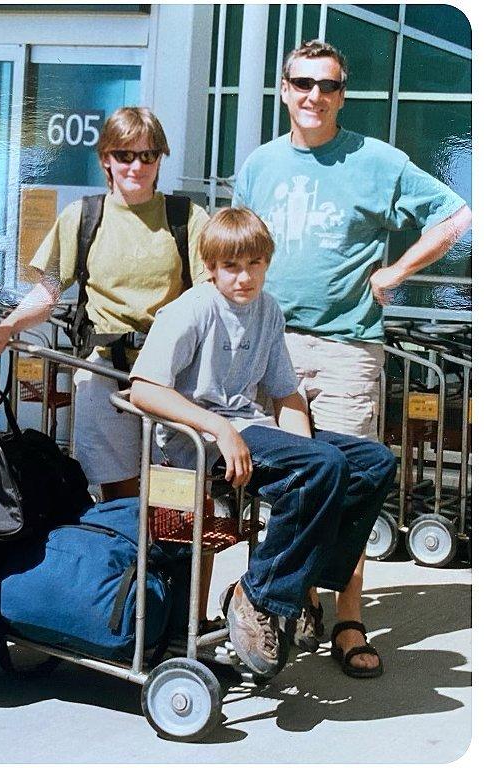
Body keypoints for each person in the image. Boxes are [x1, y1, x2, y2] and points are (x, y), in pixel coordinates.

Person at [233, 40, 472, 676]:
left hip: (345, 348)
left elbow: (455, 215)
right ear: (284, 88)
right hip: (272, 348)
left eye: (329, 86)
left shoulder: (376, 161)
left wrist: (396, 270)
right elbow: (238, 248)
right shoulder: (259, 164)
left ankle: (348, 615)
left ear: (343, 95)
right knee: (294, 486)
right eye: (303, 83)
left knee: (350, 484)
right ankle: (291, 605)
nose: (315, 95)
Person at [129, 207, 397, 680]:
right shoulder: (193, 309)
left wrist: (310, 452)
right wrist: (220, 428)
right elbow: (144, 389)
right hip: (200, 444)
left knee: (372, 461)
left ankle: (285, 584)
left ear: (267, 264)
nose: (244, 277)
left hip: (249, 430)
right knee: (324, 466)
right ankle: (263, 595)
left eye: (254, 264)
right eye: (231, 266)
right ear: (211, 267)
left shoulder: (267, 309)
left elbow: (286, 392)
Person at [0, 107, 210, 501]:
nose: (136, 165)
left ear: (160, 158)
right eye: (124, 155)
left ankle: (169, 564)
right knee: (119, 495)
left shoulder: (187, 217)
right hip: (103, 366)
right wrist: (8, 326)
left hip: (173, 370)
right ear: (106, 158)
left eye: (147, 155)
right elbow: (48, 291)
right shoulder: (82, 217)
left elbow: (211, 296)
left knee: (180, 499)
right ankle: (132, 564)